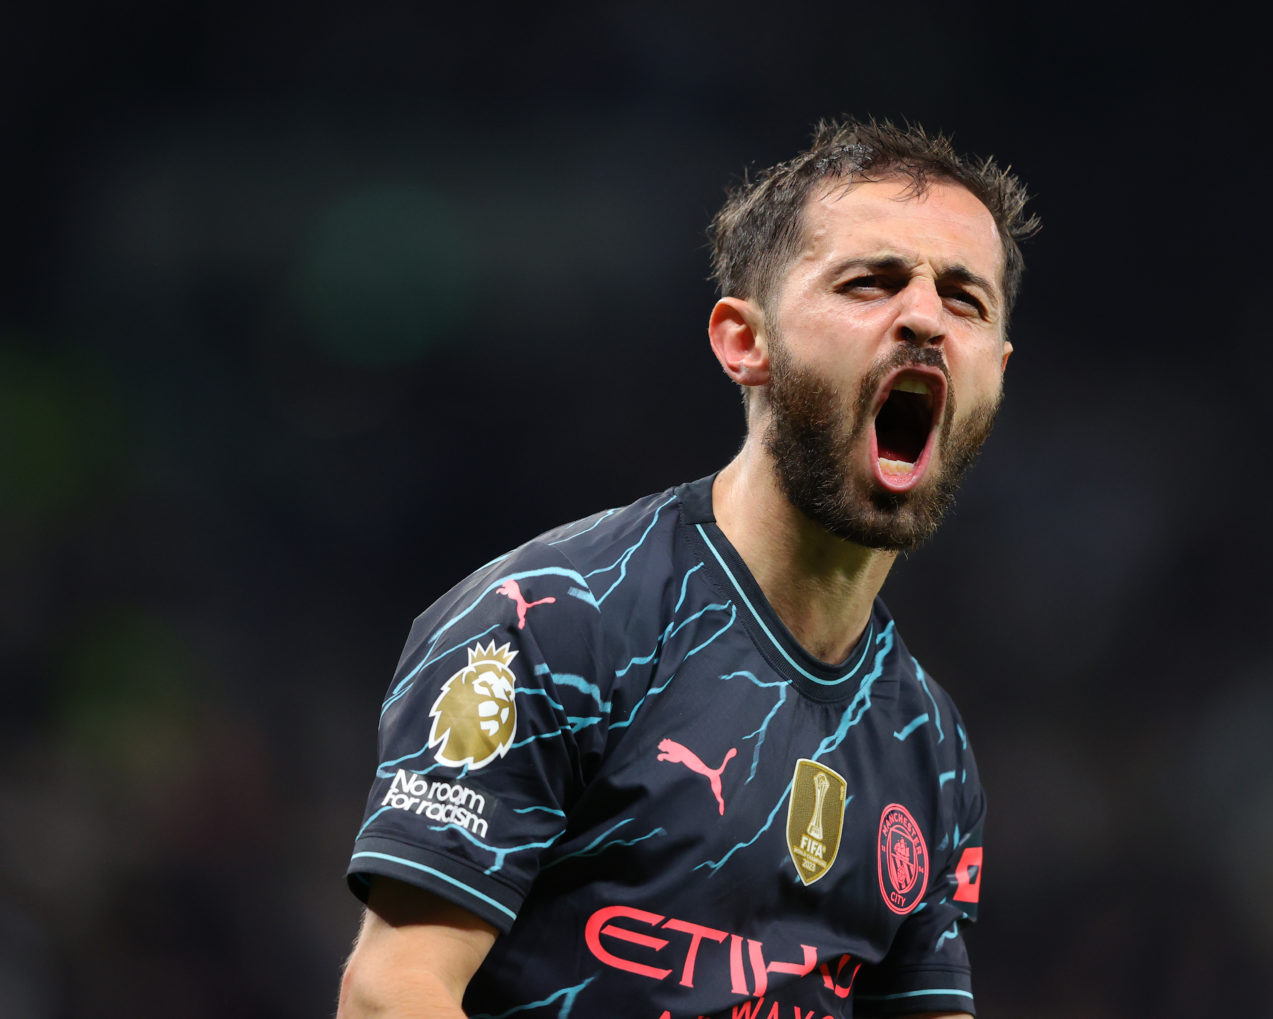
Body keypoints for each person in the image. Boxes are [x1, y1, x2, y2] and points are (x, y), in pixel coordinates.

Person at [337, 117, 1038, 1019]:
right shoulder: (555, 621)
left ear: (998, 372)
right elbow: (393, 992)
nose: (924, 317)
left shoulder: (929, 747)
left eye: (964, 299)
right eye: (872, 281)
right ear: (745, 343)